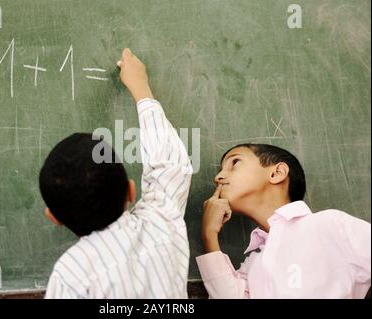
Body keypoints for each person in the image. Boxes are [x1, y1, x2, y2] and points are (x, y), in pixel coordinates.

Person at [39, 48, 193, 298]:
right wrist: (141, 90)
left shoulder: (70, 275)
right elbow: (170, 163)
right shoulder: (160, 223)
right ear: (131, 191)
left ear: (53, 217)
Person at [197, 143, 371, 298]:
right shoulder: (252, 264)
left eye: (234, 163)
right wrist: (209, 234)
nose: (218, 177)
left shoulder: (330, 225)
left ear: (277, 173)